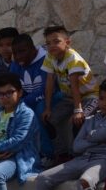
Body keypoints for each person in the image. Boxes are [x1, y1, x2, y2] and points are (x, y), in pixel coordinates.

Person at [41, 25, 98, 161]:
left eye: (56, 41)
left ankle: (78, 155)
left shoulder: (73, 58)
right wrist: (48, 108)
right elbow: (49, 83)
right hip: (70, 98)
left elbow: (75, 86)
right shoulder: (50, 56)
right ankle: (62, 154)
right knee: (49, 120)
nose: (52, 46)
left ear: (67, 42)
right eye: (48, 43)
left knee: (78, 120)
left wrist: (78, 110)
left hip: (89, 97)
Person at [9, 34, 55, 160]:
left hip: (51, 97)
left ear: (33, 48)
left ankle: (47, 154)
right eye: (15, 53)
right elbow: (12, 87)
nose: (18, 56)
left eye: (22, 51)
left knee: (39, 110)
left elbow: (46, 89)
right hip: (27, 100)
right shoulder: (16, 64)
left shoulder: (46, 59)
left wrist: (22, 103)